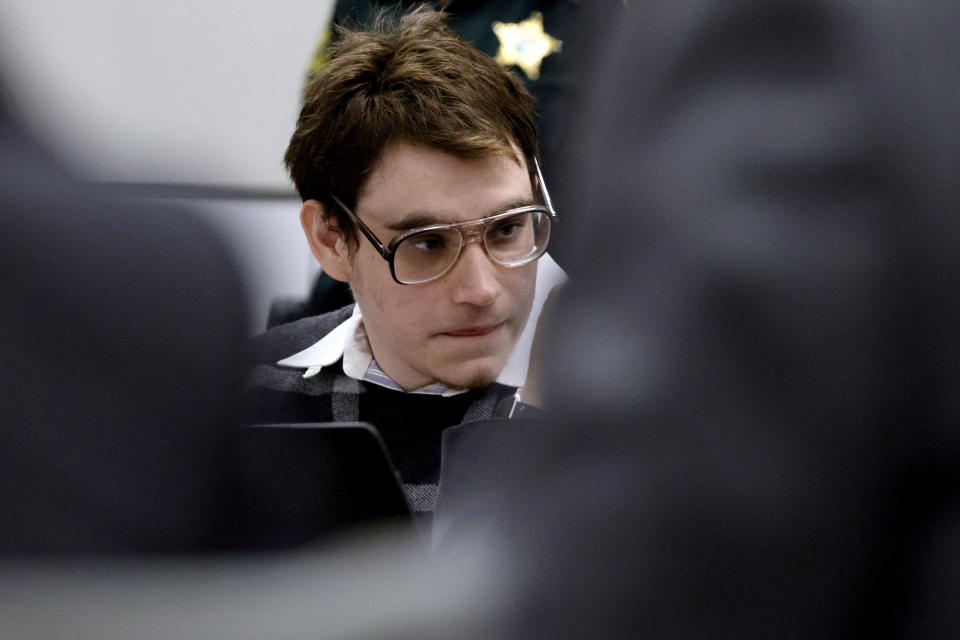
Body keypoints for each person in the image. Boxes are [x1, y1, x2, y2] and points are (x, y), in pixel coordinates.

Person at [244, 5, 566, 515]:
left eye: (507, 229)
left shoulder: (647, 391)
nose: (482, 289)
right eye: (427, 243)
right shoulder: (250, 391)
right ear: (331, 240)